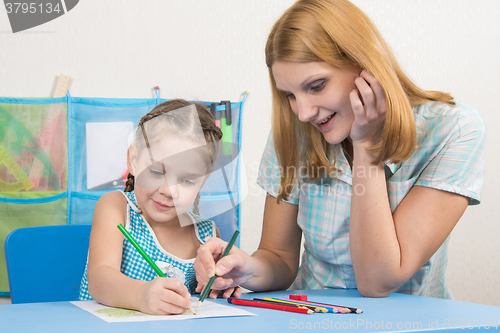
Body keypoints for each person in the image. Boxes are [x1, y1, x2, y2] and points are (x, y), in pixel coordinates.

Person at [194, 0, 486, 299]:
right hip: (310, 319)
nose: (304, 112)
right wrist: (246, 269)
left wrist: (367, 148)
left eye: (317, 85)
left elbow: (378, 281)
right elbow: (278, 256)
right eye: (290, 95)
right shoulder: (296, 131)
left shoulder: (454, 130)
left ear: (365, 65)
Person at [79, 99, 238, 315]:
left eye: (187, 180)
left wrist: (220, 284)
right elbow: (99, 279)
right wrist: (141, 294)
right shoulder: (115, 207)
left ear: (203, 180)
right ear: (134, 160)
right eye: (156, 172)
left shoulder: (207, 236)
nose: (169, 190)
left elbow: (206, 301)